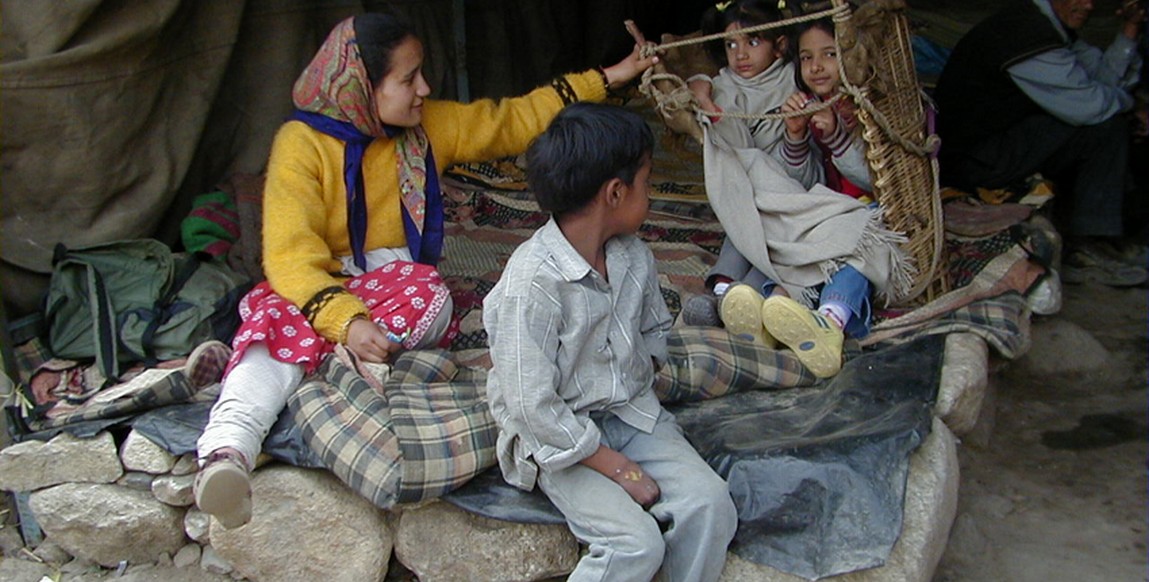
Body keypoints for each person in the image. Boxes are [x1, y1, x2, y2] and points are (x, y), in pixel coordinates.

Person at [192, 11, 659, 529]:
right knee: (283, 310)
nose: (425, 88)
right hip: (323, 293)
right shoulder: (301, 145)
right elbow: (290, 258)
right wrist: (346, 322)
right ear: (361, 88)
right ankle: (227, 453)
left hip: (398, 296)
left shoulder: (426, 128)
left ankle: (269, 374)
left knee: (417, 295)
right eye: (408, 78)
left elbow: (513, 120)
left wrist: (609, 77)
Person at [483, 102, 738, 582]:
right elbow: (531, 406)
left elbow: (652, 335)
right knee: (634, 544)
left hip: (631, 413)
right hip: (561, 437)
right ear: (616, 193)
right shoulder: (532, 284)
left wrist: (642, 372)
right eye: (647, 183)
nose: (652, 194)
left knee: (710, 505)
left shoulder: (633, 256)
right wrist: (615, 467)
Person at [934, 0, 1147, 286]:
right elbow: (1092, 106)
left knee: (1105, 121)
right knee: (1105, 128)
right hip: (976, 159)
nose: (1088, 5)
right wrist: (1134, 110)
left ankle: (1102, 234)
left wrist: (1129, 30)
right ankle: (1086, 245)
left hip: (1000, 142)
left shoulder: (1052, 30)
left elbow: (1104, 80)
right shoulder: (1024, 33)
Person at [680, 0, 818, 328]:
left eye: (753, 42)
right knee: (744, 223)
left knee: (775, 238)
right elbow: (727, 141)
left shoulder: (796, 81)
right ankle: (722, 293)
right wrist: (701, 94)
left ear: (780, 46)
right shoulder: (722, 87)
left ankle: (748, 295)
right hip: (748, 189)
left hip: (794, 186)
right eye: (731, 44)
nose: (740, 54)